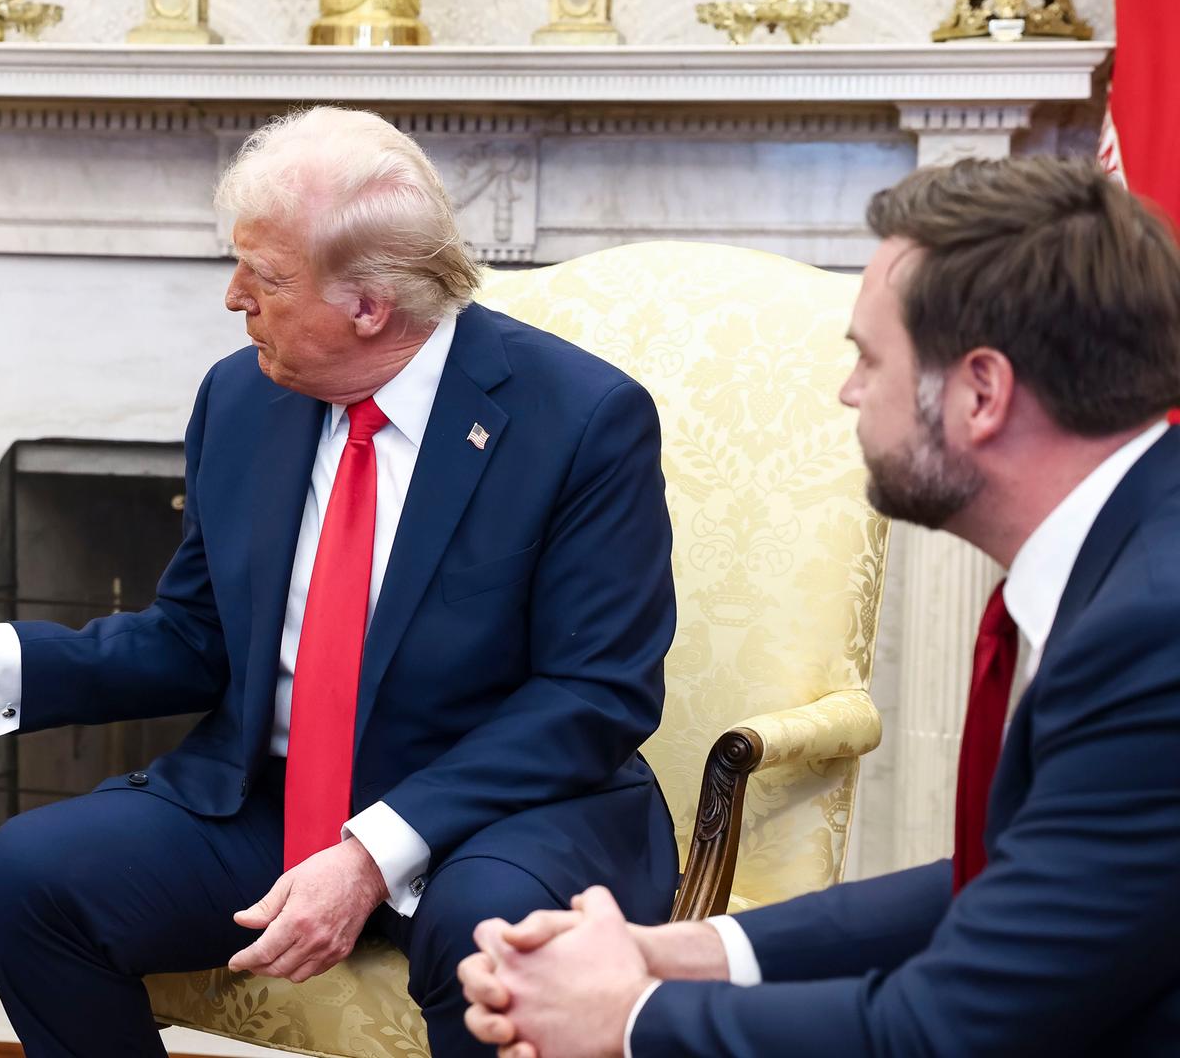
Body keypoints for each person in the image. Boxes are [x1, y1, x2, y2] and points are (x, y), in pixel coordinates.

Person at [0, 105, 680, 1057]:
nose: (234, 296)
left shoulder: (580, 418)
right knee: (31, 878)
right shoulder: (242, 399)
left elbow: (594, 694)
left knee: (493, 938)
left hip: (498, 813)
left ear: (370, 303)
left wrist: (371, 852)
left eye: (267, 277)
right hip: (274, 801)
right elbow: (194, 638)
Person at [458, 156, 1180, 1057]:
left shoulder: (1151, 633)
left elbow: (945, 1033)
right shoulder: (1132, 551)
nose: (848, 392)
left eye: (870, 359)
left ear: (982, 393)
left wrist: (627, 1019)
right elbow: (1017, 878)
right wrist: (689, 950)